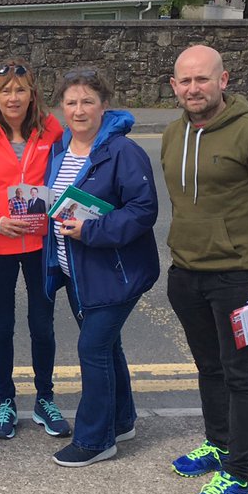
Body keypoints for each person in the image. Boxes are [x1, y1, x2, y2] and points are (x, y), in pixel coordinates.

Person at [162, 44, 248, 494]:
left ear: (223, 80)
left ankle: (237, 478)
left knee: (242, 376)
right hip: (187, 275)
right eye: (185, 81)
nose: (193, 88)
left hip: (240, 278)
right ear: (174, 86)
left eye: (202, 79)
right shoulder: (173, 133)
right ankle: (218, 445)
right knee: (209, 368)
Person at [43, 69, 159, 467]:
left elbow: (144, 211)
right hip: (75, 271)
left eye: (87, 101)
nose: (79, 110)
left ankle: (96, 440)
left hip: (114, 272)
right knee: (108, 347)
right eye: (71, 102)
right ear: (61, 107)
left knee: (92, 349)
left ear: (104, 105)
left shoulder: (123, 152)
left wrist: (91, 230)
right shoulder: (60, 147)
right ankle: (122, 420)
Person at [0, 60, 67, 439]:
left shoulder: (52, 130)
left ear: (32, 95)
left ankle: (45, 398)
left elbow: (71, 168)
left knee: (42, 322)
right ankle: (5, 400)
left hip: (41, 241)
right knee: (3, 323)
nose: (13, 97)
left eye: (20, 89)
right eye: (6, 90)